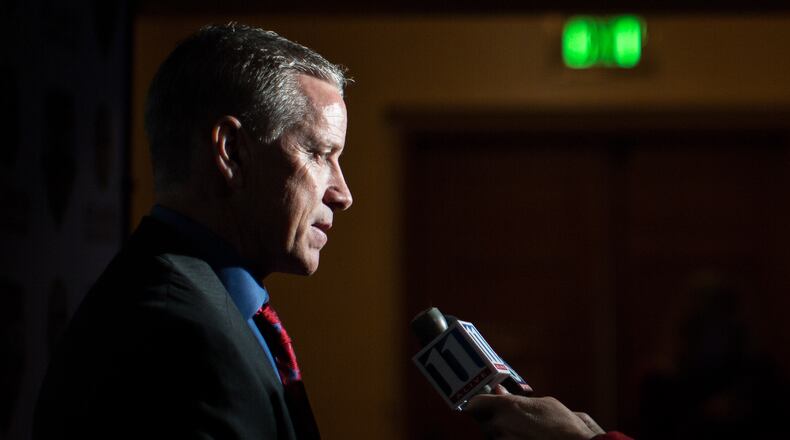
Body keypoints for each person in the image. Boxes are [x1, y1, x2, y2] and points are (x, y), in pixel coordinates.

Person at [33, 22, 631, 439]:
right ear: (232, 151)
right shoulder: (179, 334)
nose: (343, 194)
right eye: (320, 154)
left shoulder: (203, 305)